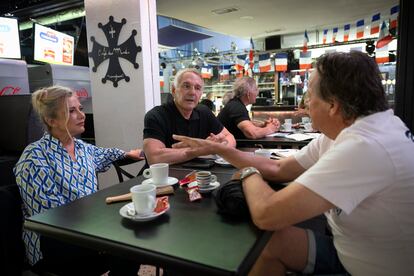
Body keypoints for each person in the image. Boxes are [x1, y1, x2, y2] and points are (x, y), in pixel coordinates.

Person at [172, 51, 414, 275]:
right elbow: (279, 168)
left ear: (333, 106)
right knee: (270, 244)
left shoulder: (366, 146)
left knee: (265, 231)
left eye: (310, 93)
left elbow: (267, 214)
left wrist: (247, 172)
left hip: (371, 268)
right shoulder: (347, 131)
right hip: (352, 248)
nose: (306, 103)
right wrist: (218, 149)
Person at [14, 86, 143, 275]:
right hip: (52, 242)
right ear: (51, 120)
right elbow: (51, 218)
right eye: (71, 111)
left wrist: (127, 153)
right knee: (126, 243)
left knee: (134, 238)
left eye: (80, 108)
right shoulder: (33, 158)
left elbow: (104, 154)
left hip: (89, 230)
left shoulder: (82, 148)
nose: (82, 115)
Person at [143, 68, 236, 165]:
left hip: (197, 175)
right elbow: (155, 158)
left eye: (197, 88)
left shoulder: (204, 112)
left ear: (201, 94)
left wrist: (217, 146)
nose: (192, 92)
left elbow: (230, 138)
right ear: (174, 90)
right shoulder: (156, 116)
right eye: (186, 86)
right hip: (160, 178)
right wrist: (203, 148)